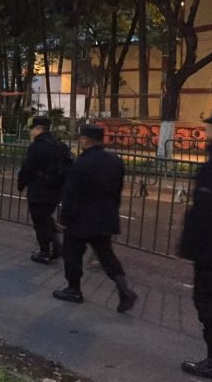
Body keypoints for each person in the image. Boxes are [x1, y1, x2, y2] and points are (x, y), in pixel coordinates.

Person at [53, 124, 137, 314]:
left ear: (86, 140)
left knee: (72, 255)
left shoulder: (82, 163)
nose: (80, 141)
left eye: (81, 138)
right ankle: (124, 290)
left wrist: (64, 219)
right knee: (106, 255)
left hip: (80, 219)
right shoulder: (115, 161)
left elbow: (72, 194)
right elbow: (117, 191)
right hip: (104, 218)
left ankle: (74, 289)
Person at [179, 109, 212, 379]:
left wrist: (189, 248)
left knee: (207, 301)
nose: (205, 132)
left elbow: (203, 212)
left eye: (210, 127)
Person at [17, 117, 72, 264]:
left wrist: (21, 184)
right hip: (56, 190)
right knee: (46, 217)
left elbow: (28, 168)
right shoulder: (60, 145)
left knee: (39, 221)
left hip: (39, 189)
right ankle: (55, 245)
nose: (31, 131)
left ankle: (45, 251)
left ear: (39, 128)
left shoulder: (37, 146)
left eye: (33, 128)